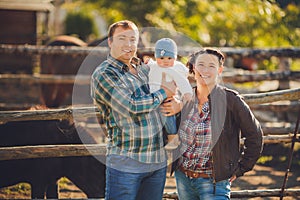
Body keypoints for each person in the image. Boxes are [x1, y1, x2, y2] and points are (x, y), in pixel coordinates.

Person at [90, 20, 179, 200]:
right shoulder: (105, 74)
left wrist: (176, 102)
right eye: (122, 39)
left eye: (132, 39)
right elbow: (131, 106)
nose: (128, 44)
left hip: (156, 160)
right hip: (127, 162)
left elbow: (170, 91)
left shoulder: (144, 69)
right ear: (110, 42)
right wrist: (164, 92)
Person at [172, 48, 263, 199]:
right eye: (201, 64)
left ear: (219, 70)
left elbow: (255, 135)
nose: (205, 70)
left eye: (211, 66)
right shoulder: (185, 99)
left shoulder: (231, 100)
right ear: (193, 68)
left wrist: (240, 168)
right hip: (183, 179)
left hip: (214, 181)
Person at [147, 38, 193, 148]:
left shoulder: (176, 69)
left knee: (167, 112)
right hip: (154, 98)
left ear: (175, 57)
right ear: (156, 57)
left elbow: (182, 82)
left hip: (168, 99)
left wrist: (187, 93)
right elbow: (148, 66)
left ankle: (172, 137)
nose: (165, 61)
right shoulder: (154, 67)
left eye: (169, 58)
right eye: (161, 58)